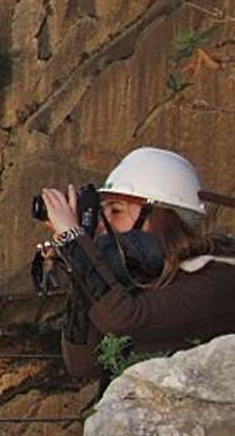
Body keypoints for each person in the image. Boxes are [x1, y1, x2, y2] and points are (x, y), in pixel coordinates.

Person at [40, 147, 235, 378]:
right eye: (103, 212)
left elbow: (126, 319)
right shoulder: (140, 279)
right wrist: (81, 258)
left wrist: (74, 241)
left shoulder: (220, 277)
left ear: (160, 217)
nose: (105, 225)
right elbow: (83, 364)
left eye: (116, 210)